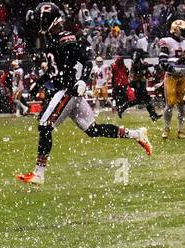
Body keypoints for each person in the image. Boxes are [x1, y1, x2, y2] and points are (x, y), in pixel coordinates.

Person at [15, 4, 151, 186]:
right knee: (92, 130)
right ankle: (136, 134)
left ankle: (39, 173)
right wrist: (37, 83)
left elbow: (85, 61)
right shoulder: (51, 38)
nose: (38, 23)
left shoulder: (64, 37)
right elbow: (55, 70)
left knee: (45, 125)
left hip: (68, 90)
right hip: (67, 91)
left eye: (41, 19)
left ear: (49, 20)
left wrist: (83, 80)